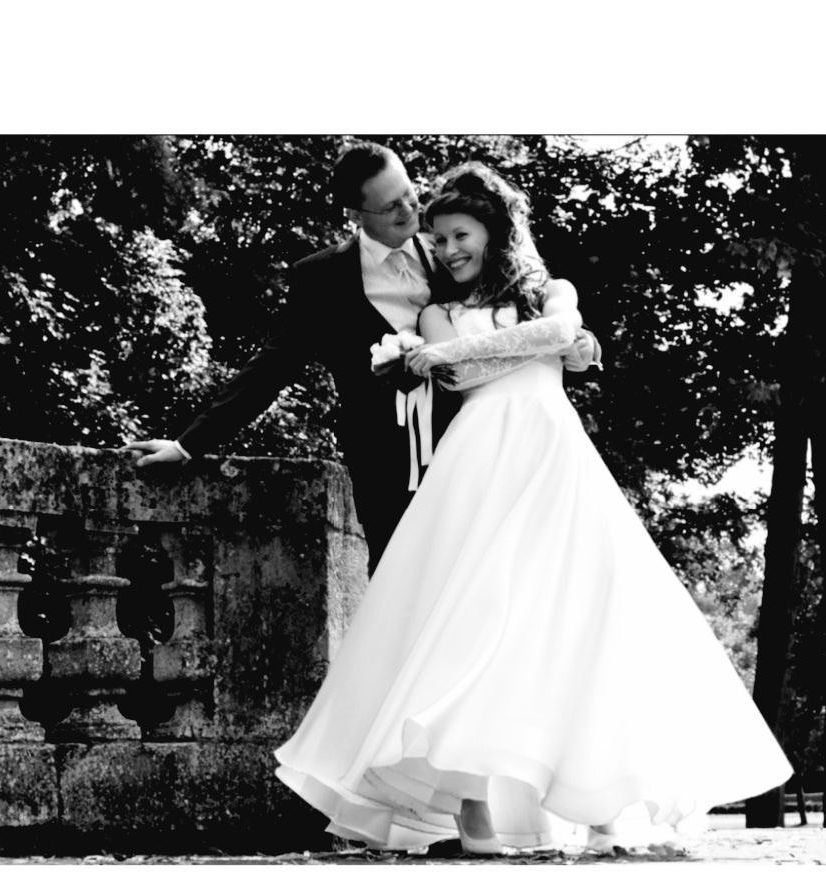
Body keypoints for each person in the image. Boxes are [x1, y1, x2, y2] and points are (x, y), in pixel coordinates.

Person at [274, 163, 792, 855]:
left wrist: (480, 350)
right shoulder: (435, 313)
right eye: (439, 238)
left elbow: (551, 337)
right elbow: (483, 367)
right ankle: (474, 811)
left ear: (493, 231)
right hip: (477, 462)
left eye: (460, 235)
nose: (448, 249)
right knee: (475, 620)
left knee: (584, 615)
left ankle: (607, 802)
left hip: (554, 455)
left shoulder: (552, 291)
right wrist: (471, 350)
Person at [123, 142, 598, 576]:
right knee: (399, 583)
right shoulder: (321, 277)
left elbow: (518, 309)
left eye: (410, 195)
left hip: (473, 445)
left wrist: (579, 344)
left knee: (488, 578)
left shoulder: (453, 245)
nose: (410, 210)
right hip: (384, 464)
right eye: (391, 207)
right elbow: (270, 368)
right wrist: (188, 444)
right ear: (355, 213)